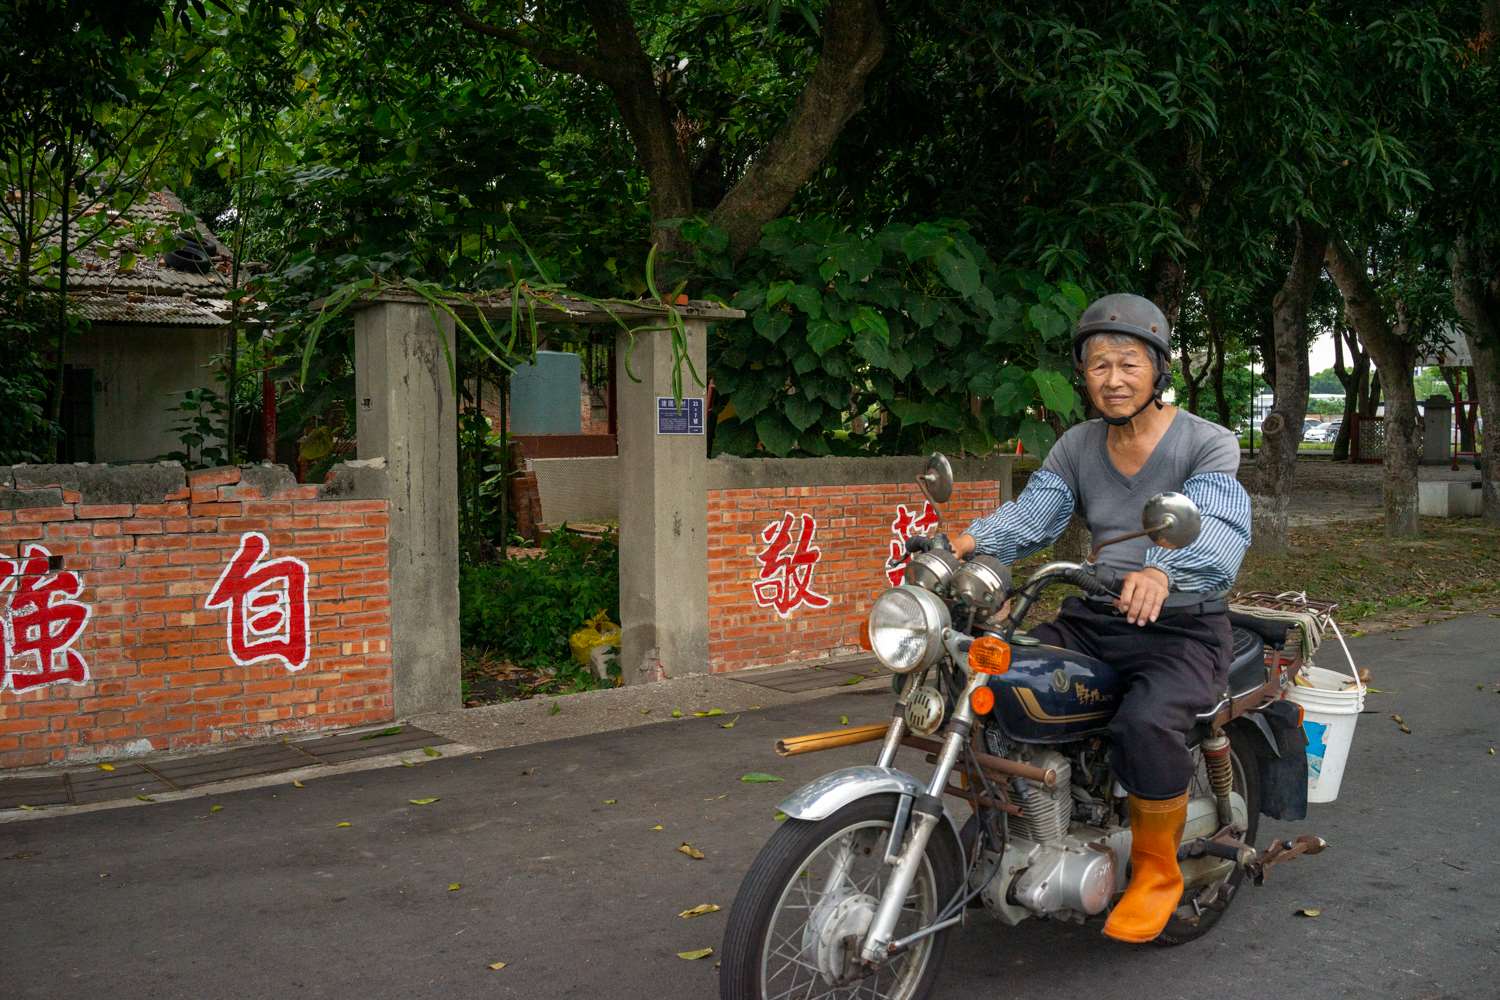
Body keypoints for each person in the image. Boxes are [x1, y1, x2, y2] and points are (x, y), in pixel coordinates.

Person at [949, 292, 1252, 943]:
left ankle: (1156, 873)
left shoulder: (1207, 443)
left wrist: (1164, 570)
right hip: (1094, 616)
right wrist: (965, 546)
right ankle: (1016, 824)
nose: (1112, 379)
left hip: (1182, 628)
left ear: (1159, 370)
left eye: (1128, 363)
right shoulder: (1078, 445)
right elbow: (1032, 517)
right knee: (991, 678)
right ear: (1083, 375)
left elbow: (1219, 527)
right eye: (1098, 365)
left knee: (1146, 722)